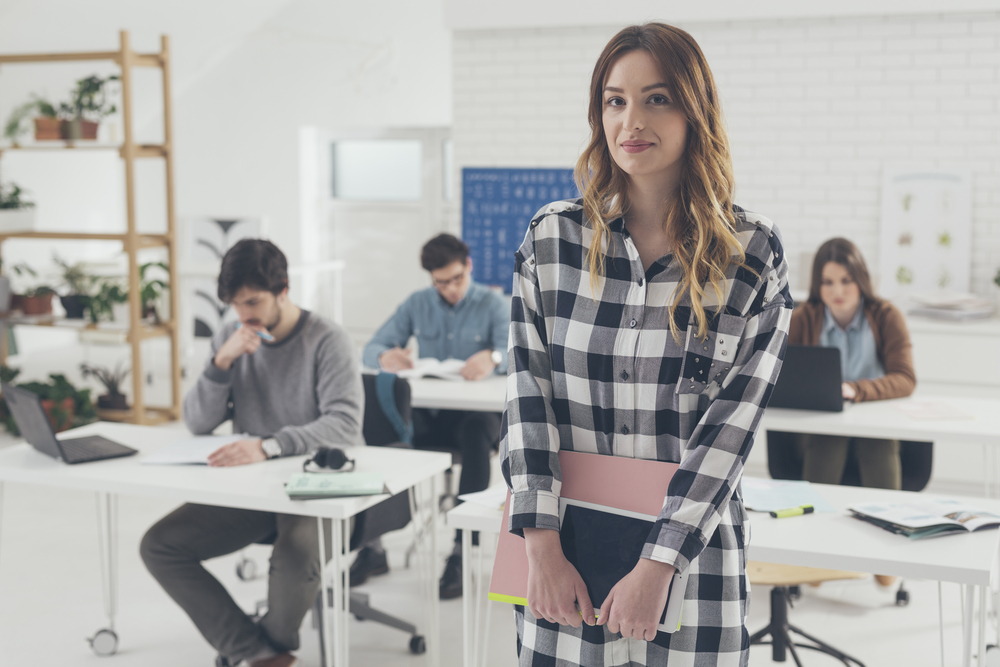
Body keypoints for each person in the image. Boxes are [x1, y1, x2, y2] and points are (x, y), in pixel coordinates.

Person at [500, 23, 793, 666]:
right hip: (564, 559)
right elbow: (527, 397)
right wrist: (540, 547)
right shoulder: (553, 241)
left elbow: (732, 428)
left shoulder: (751, 253)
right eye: (615, 99)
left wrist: (659, 564)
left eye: (656, 98)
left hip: (693, 561)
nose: (631, 120)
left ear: (694, 110)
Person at [140, 239, 363, 667]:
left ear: (283, 289)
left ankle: (261, 650)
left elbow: (345, 427)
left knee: (295, 556)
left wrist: (268, 445)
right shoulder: (232, 336)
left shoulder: (327, 339)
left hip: (318, 489)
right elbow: (197, 423)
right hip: (256, 490)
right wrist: (218, 365)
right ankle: (260, 654)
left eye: (253, 301)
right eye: (235, 305)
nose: (244, 314)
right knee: (159, 546)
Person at [359, 232, 508, 599]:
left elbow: (517, 351)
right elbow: (372, 347)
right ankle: (372, 545)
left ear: (468, 267)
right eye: (441, 282)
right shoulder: (418, 303)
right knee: (379, 420)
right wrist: (385, 357)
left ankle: (460, 551)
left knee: (476, 432)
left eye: (456, 279)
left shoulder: (494, 304)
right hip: (431, 413)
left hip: (475, 419)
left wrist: (493, 358)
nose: (450, 289)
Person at [787, 237, 916, 586]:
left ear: (860, 279)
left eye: (846, 280)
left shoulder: (886, 316)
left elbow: (905, 378)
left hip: (873, 423)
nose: (837, 290)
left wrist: (856, 390)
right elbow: (786, 373)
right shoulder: (803, 318)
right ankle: (815, 554)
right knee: (828, 444)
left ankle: (885, 559)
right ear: (817, 285)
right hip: (821, 427)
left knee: (877, 444)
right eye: (827, 282)